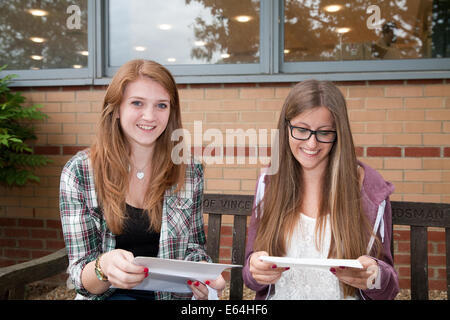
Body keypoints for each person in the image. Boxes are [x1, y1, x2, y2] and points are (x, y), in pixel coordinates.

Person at [60, 59, 225, 300]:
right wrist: (103, 266)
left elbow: (193, 247)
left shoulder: (190, 170)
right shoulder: (80, 172)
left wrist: (203, 273)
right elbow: (81, 280)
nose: (150, 116)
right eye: (137, 103)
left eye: (161, 105)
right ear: (116, 109)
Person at [242, 79, 399, 300]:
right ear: (286, 127)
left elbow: (389, 287)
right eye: (301, 130)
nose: (311, 143)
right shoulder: (269, 182)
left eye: (324, 132)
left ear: (339, 134)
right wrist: (255, 270)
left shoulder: (369, 189)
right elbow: (251, 275)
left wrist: (375, 275)